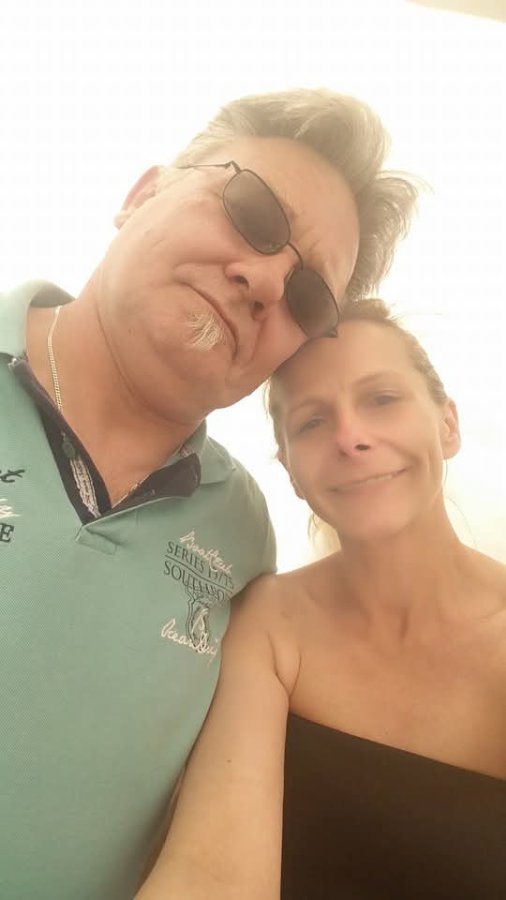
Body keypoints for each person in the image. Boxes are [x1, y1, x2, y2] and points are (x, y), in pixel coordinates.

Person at [0, 90, 417, 899]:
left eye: (307, 297)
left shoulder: (241, 534)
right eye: (251, 212)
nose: (265, 281)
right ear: (141, 194)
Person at [138, 298, 506, 900]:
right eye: (312, 422)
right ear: (290, 470)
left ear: (448, 425)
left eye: (381, 399)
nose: (350, 437)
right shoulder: (272, 623)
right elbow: (214, 874)